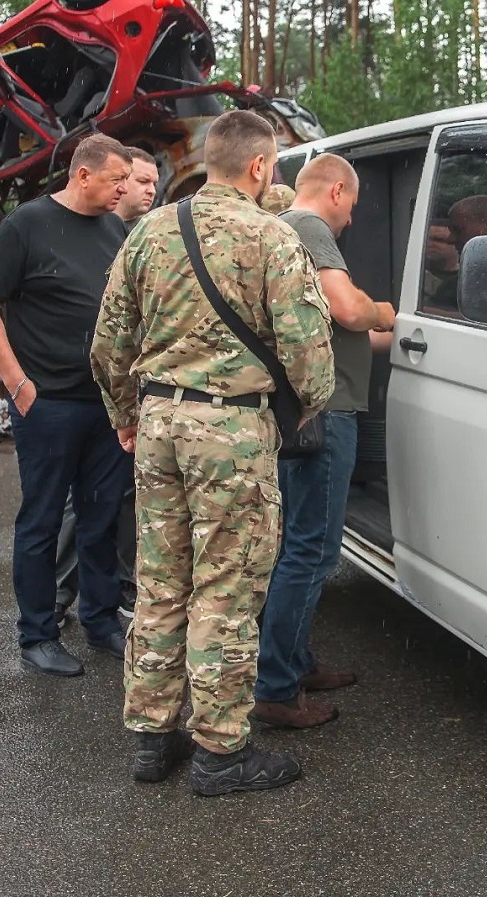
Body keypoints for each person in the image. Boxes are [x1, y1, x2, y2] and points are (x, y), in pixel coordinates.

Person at [90, 110, 335, 793]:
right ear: (259, 166)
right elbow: (311, 358)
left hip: (158, 424)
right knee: (227, 587)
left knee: (161, 581)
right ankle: (221, 752)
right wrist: (299, 412)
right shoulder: (271, 236)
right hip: (231, 431)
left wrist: (127, 416)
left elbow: (108, 344)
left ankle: (152, 737)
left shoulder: (149, 231)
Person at [0, 134, 133, 677]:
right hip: (48, 405)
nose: (124, 189)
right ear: (82, 175)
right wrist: (17, 384)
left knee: (101, 517)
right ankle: (37, 634)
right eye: (116, 179)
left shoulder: (114, 229)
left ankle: (101, 621)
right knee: (41, 521)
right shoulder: (26, 226)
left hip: (104, 405)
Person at [252, 153, 395, 728]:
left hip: (307, 412)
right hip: (325, 414)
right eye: (352, 205)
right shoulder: (309, 226)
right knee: (312, 550)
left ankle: (295, 663)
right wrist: (386, 311)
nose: (352, 219)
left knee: (297, 543)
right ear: (336, 191)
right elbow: (348, 309)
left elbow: (334, 329)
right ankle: (276, 688)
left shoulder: (283, 228)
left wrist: (400, 336)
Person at [52, 145, 159, 628]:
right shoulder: (86, 232)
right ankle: (58, 593)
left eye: (153, 182)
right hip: (85, 390)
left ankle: (115, 592)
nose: (148, 190)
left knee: (122, 499)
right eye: (139, 180)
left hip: (131, 390)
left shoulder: (136, 236)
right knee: (84, 503)